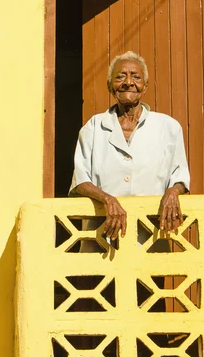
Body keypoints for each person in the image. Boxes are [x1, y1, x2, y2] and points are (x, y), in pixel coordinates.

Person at [69, 51, 190, 241]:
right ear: (110, 86)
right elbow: (81, 181)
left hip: (150, 234)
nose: (128, 82)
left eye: (136, 77)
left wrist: (173, 192)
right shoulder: (93, 126)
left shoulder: (168, 127)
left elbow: (180, 176)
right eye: (120, 77)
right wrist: (108, 199)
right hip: (103, 234)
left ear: (145, 86)